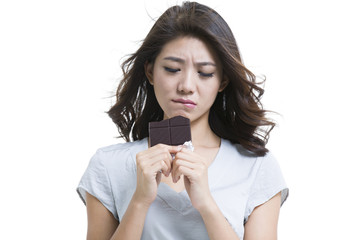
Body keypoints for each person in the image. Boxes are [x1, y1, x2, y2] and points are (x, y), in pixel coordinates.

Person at [77, 1, 288, 239]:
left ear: (223, 81)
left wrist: (206, 204)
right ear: (150, 72)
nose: (187, 86)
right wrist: (139, 201)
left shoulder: (256, 167)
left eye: (205, 73)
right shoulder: (108, 166)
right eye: (172, 69)